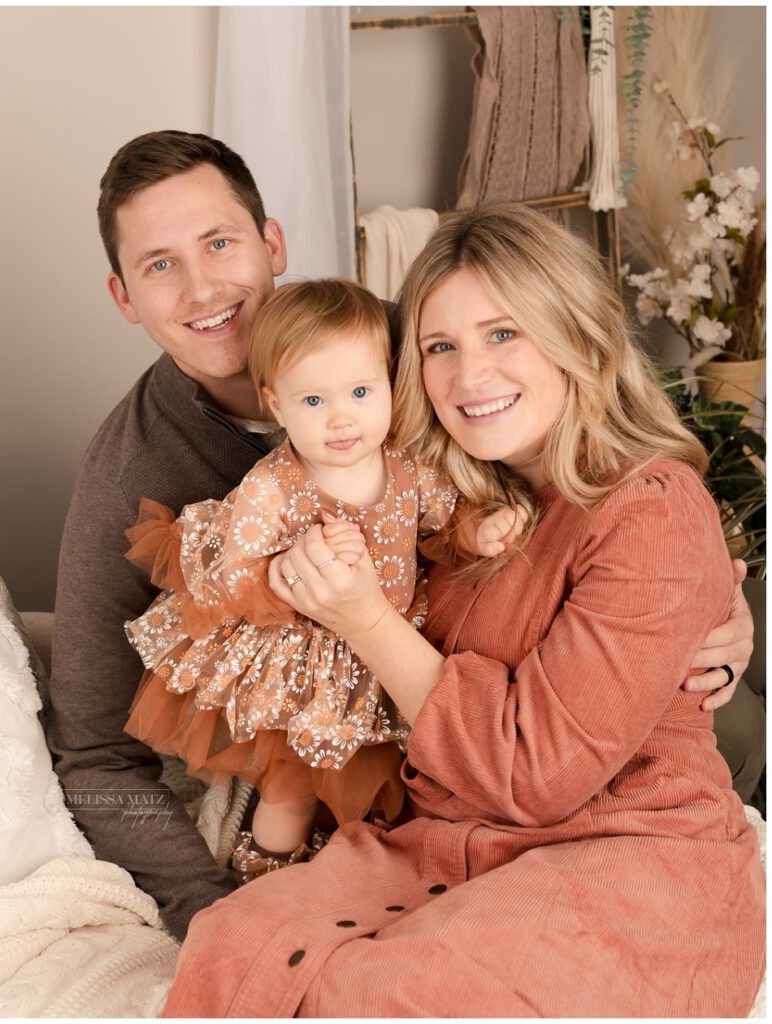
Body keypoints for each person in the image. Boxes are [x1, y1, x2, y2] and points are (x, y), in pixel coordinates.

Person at [45, 130, 752, 945]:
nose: (202, 287)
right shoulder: (127, 471)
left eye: (219, 243)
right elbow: (94, 757)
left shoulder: (417, 347)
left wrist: (712, 600)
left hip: (573, 715)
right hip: (391, 775)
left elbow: (589, 469)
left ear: (272, 243)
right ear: (123, 296)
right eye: (160, 264)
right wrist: (213, 913)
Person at [161, 204, 765, 1018]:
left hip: (621, 846)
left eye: (503, 333)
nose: (469, 376)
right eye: (439, 346)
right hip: (439, 843)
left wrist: (366, 622)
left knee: (401, 995)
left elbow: (536, 773)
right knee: (233, 945)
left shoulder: (646, 505)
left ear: (578, 334)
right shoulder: (431, 495)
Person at [122, 278, 523, 870]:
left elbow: (443, 523)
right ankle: (263, 875)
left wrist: (477, 533)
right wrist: (287, 567)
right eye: (313, 401)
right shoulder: (275, 486)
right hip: (307, 665)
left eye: (360, 392)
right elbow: (233, 570)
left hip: (389, 650)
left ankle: (366, 868)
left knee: (388, 778)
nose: (341, 419)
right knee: (293, 791)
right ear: (277, 404)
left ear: (391, 385)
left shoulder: (407, 464)